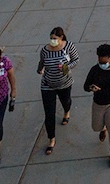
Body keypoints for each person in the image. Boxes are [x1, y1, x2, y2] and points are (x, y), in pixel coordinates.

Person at [37, 26, 80, 155]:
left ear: (61, 38)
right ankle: (51, 139)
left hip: (64, 83)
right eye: (51, 38)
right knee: (49, 113)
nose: (52, 41)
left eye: (55, 38)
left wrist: (66, 66)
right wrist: (40, 69)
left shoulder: (69, 47)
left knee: (66, 101)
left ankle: (67, 112)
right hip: (47, 85)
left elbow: (76, 60)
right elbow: (42, 62)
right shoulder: (45, 50)